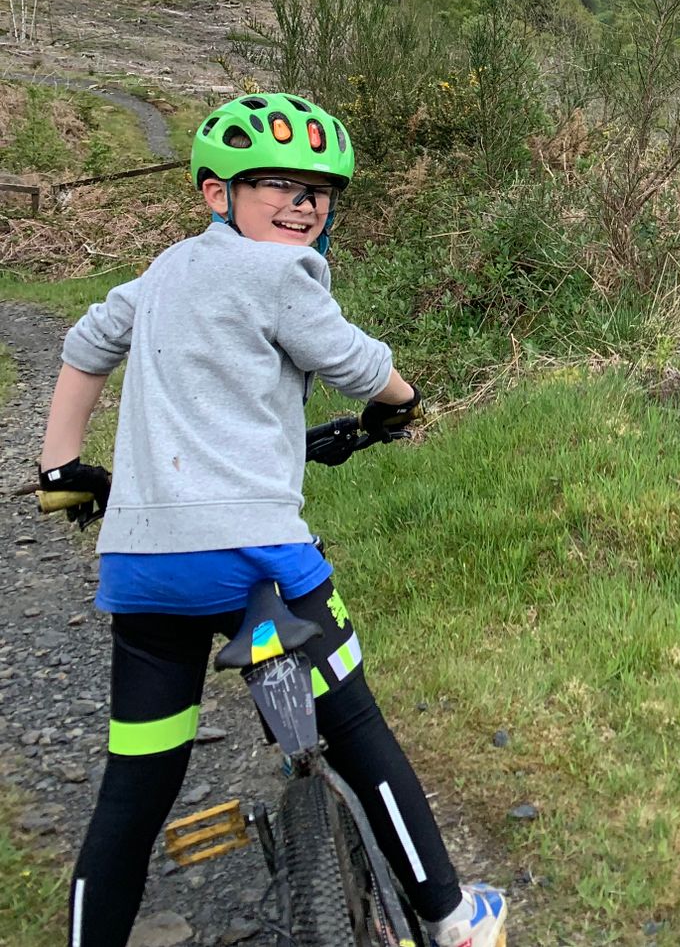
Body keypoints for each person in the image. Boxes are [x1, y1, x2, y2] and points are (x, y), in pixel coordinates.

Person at [36, 93, 507, 947]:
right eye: (280, 188)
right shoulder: (282, 273)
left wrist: (60, 467)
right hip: (257, 559)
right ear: (220, 195)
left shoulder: (162, 274)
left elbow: (84, 344)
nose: (304, 206)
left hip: (142, 573)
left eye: (319, 193)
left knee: (134, 787)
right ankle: (450, 917)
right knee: (357, 729)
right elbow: (356, 363)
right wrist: (401, 405)